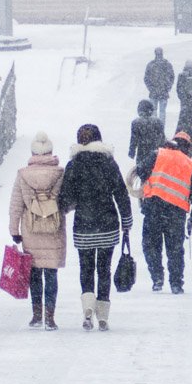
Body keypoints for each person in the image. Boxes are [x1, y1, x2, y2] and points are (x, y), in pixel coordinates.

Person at [58, 124, 132, 331]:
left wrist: (72, 204)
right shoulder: (108, 162)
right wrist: (126, 220)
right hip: (108, 224)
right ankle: (103, 316)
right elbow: (121, 193)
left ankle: (88, 309)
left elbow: (65, 198)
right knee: (104, 269)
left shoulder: (74, 164)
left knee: (86, 268)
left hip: (83, 225)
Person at [9, 131, 66, 330]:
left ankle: (36, 316)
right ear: (50, 152)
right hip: (53, 228)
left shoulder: (23, 174)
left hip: (30, 229)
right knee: (51, 274)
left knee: (34, 274)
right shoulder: (60, 173)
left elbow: (16, 204)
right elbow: (66, 201)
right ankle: (50, 317)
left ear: (33, 153)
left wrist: (14, 229)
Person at [136, 131, 192, 294]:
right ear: (188, 147)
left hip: (154, 208)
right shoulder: (190, 165)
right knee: (175, 250)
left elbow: (140, 171)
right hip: (176, 214)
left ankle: (157, 278)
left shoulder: (158, 154)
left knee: (151, 245)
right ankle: (176, 283)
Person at [128, 99, 166, 167]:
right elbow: (162, 138)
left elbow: (134, 139)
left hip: (142, 152)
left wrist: (132, 152)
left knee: (142, 169)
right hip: (156, 152)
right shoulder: (158, 121)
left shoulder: (136, 123)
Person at [143, 46, 175, 119]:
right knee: (160, 112)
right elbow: (172, 77)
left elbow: (171, 77)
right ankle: (160, 125)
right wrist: (168, 87)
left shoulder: (152, 64)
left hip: (157, 92)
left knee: (156, 112)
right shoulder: (166, 64)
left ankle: (156, 125)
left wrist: (151, 88)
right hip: (160, 92)